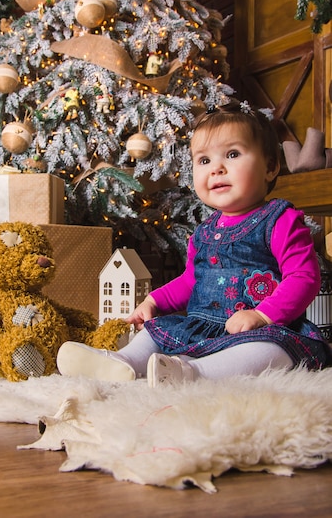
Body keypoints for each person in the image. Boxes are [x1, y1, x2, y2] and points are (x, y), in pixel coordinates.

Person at [57, 100, 332, 387]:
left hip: (263, 329)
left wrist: (262, 315)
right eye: (204, 161)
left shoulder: (278, 219)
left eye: (233, 154)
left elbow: (304, 277)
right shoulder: (204, 232)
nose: (217, 169)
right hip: (204, 326)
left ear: (270, 167)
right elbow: (191, 281)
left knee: (269, 352)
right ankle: (122, 362)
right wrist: (153, 301)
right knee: (155, 331)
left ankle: (192, 373)